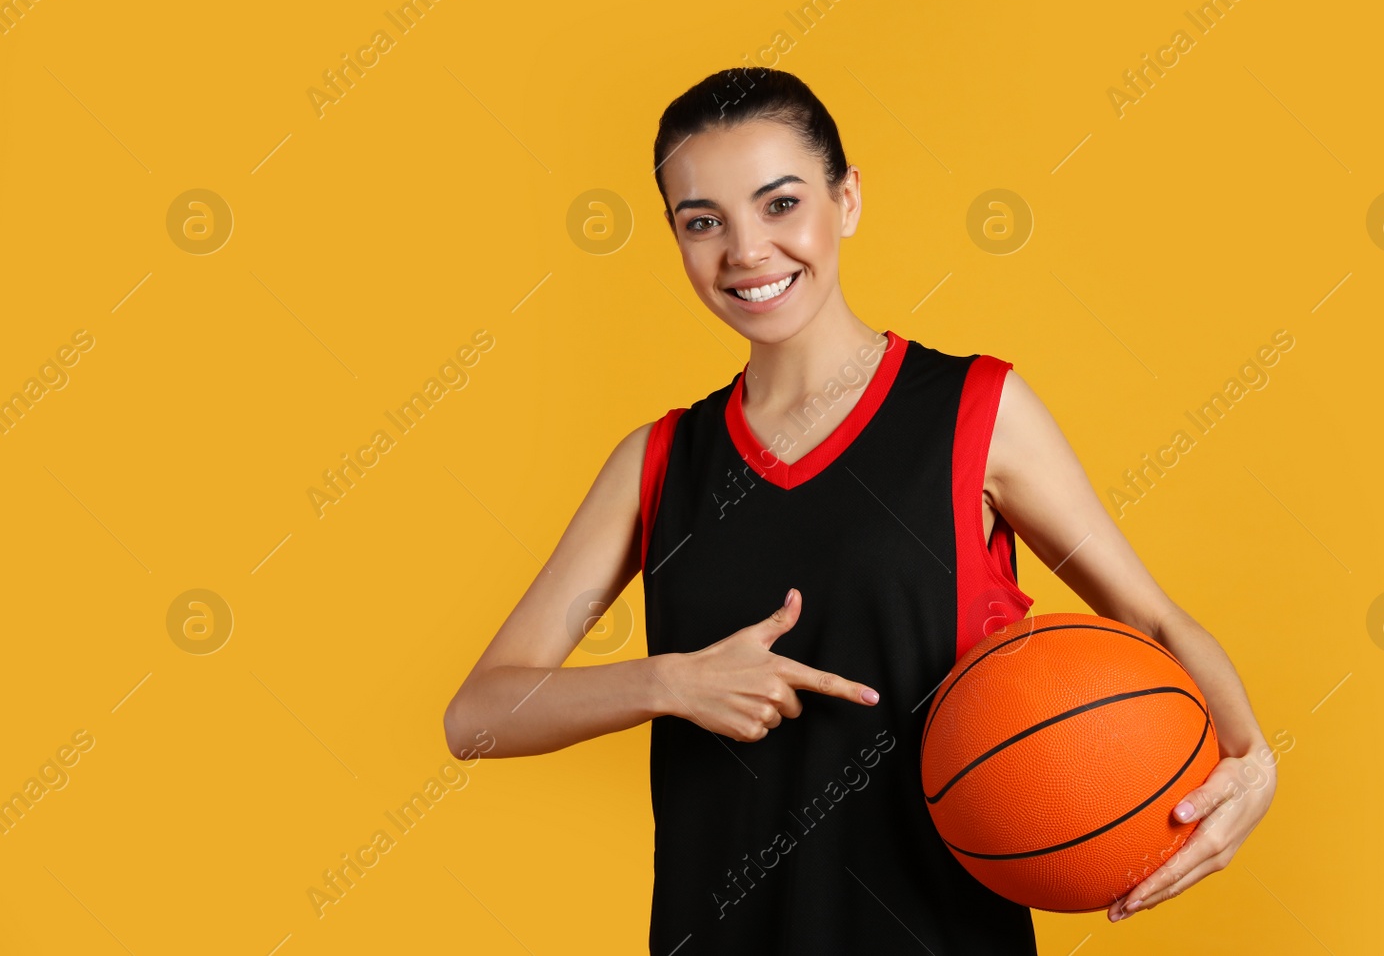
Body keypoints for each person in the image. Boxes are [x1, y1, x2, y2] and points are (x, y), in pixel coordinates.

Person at [443, 67, 1277, 953]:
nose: (747, 251)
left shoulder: (974, 412)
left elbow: (1148, 618)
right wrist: (670, 683)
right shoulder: (657, 463)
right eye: (703, 221)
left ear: (847, 201)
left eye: (779, 203)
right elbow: (479, 714)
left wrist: (1253, 759)